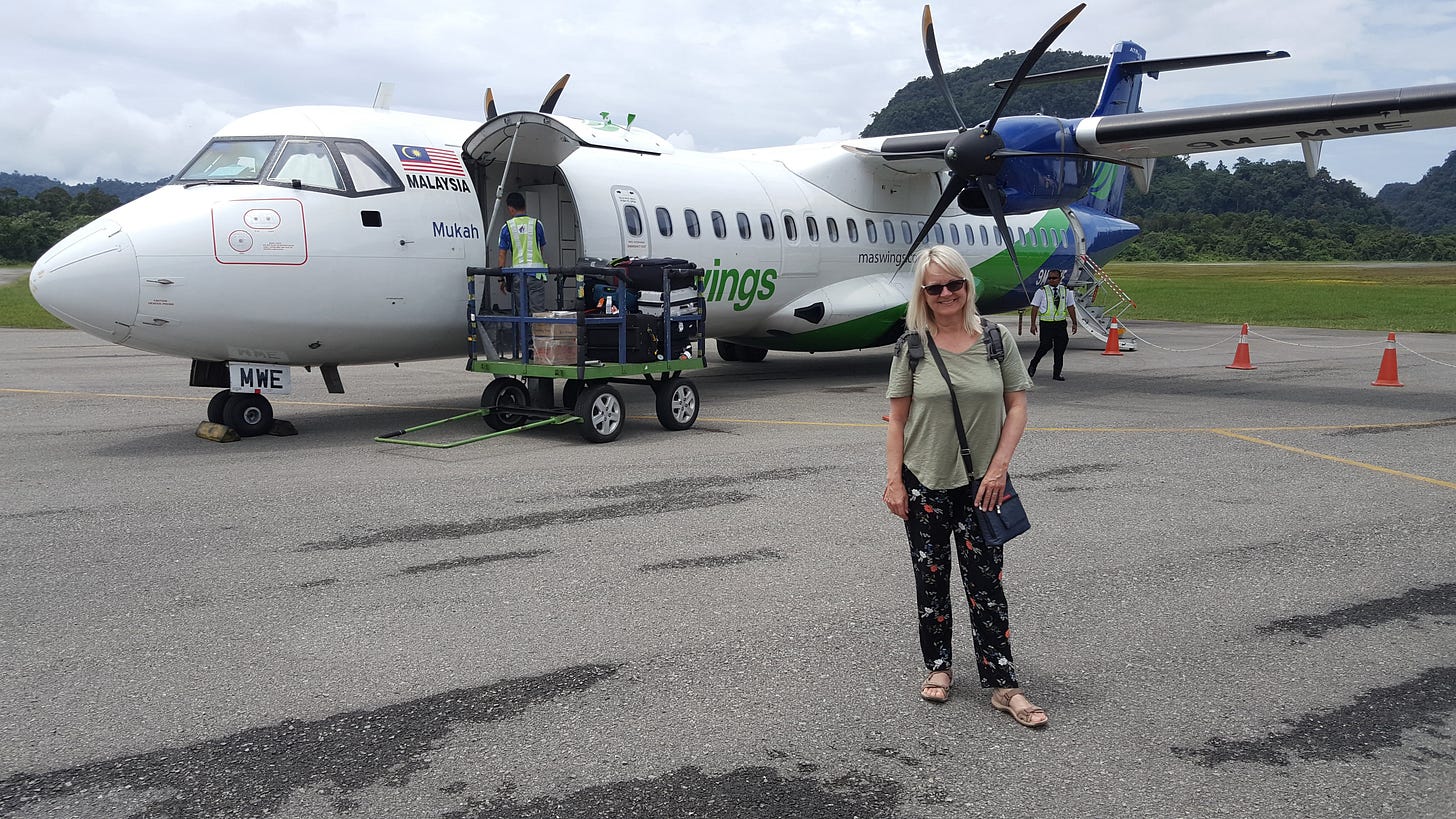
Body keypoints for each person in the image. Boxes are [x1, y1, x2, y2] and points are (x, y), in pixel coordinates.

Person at [883, 245, 1047, 729]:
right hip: (925, 482)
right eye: (934, 287)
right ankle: (939, 667)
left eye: (954, 283)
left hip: (982, 486)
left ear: (967, 285)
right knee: (930, 580)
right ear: (923, 294)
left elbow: (1017, 406)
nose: (946, 293)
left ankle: (1003, 684)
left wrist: (999, 468)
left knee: (985, 584)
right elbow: (896, 420)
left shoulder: (996, 340)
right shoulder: (911, 347)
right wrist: (894, 481)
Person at [495, 192, 549, 357]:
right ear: (524, 206)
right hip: (537, 275)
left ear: (510, 208)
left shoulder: (507, 227)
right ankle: (539, 350)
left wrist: (501, 279)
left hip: (518, 276)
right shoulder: (536, 224)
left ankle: (526, 350)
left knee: (522, 314)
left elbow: (502, 255)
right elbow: (541, 249)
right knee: (538, 313)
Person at [1028, 269, 1078, 381]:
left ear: (1060, 279)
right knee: (1045, 345)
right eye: (1049, 278)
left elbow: (1070, 307)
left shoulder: (1065, 291)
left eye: (1054, 278)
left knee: (1059, 349)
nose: (1051, 280)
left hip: (1060, 324)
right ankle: (1033, 363)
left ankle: (1057, 373)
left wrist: (1074, 323)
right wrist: (1033, 324)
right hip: (1046, 324)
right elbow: (1035, 307)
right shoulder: (1041, 291)